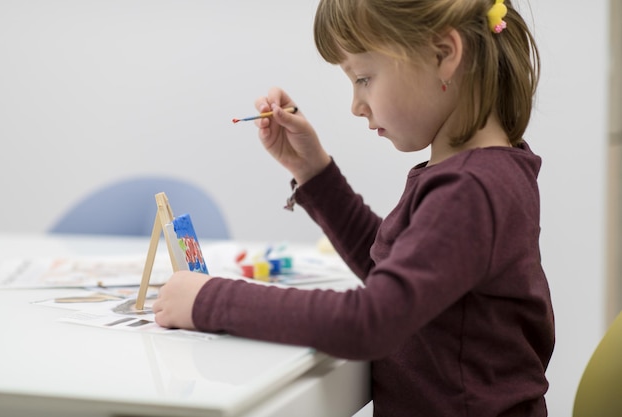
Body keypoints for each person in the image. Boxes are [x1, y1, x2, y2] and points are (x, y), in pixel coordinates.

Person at [152, 0, 555, 415]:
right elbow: (391, 270)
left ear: (444, 54)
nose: (355, 105)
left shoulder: (471, 189)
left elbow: (371, 321)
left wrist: (212, 301)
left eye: (363, 78)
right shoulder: (480, 173)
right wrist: (312, 171)